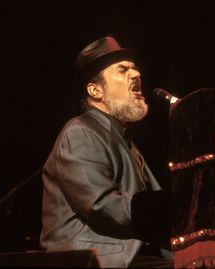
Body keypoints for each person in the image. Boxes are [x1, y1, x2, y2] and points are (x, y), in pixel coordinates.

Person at [39, 36, 173, 268]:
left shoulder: (121, 138)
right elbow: (102, 206)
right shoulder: (80, 132)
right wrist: (171, 208)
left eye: (134, 68)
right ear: (95, 90)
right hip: (96, 258)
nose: (136, 74)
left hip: (128, 255)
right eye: (122, 70)